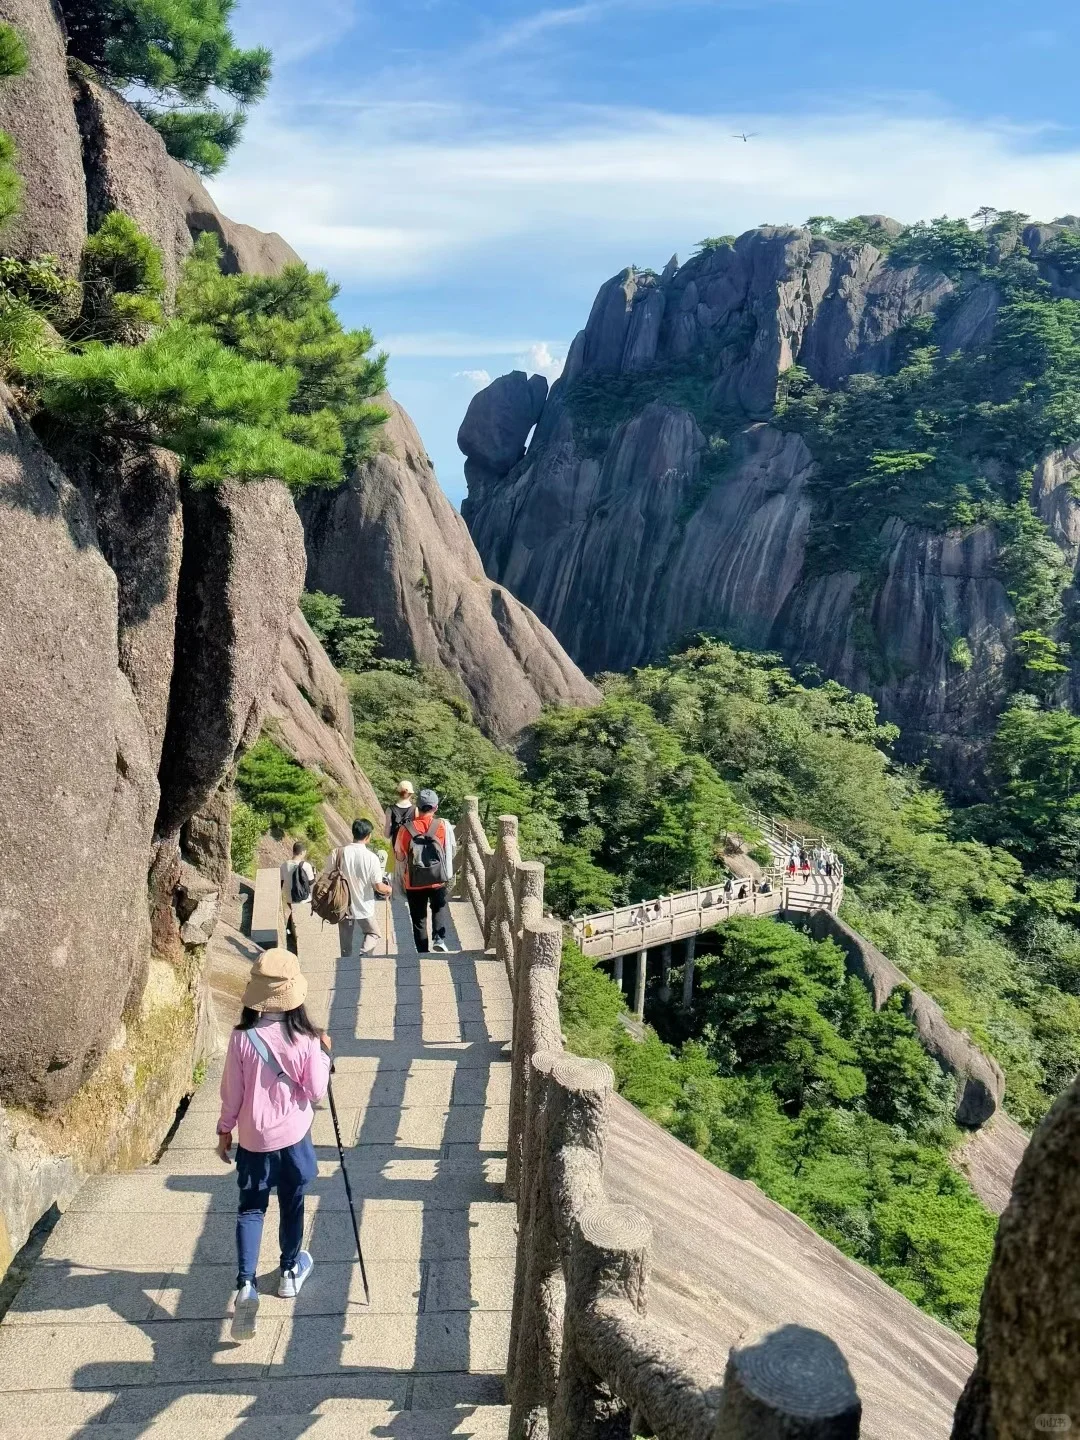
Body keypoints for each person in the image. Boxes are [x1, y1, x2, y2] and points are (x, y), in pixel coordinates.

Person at [216, 948, 331, 1342]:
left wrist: (224, 1129)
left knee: (250, 1209)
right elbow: (316, 1089)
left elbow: (232, 1090)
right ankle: (287, 1272)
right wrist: (325, 1055)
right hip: (294, 1139)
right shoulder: (305, 1039)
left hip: (252, 1140)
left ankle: (245, 1284)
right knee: (292, 1204)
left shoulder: (241, 1038)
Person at [395, 788, 456, 954]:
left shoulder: (405, 829)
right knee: (438, 907)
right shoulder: (442, 826)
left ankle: (422, 951)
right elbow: (450, 850)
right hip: (437, 877)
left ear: (417, 807)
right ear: (435, 808)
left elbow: (400, 856)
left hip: (414, 880)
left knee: (418, 917)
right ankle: (439, 938)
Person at [338, 818, 392, 959]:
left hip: (343, 905)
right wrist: (389, 890)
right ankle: (364, 954)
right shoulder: (371, 858)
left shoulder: (338, 853)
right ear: (368, 836)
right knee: (373, 933)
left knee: (346, 944)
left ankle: (346, 965)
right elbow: (378, 886)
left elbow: (327, 877)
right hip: (364, 906)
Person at [383, 780, 417, 857]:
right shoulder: (416, 810)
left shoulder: (389, 810)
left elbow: (386, 835)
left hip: (395, 850)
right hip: (410, 851)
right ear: (411, 794)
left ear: (398, 793)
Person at [281, 841, 315, 911]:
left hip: (290, 898)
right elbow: (311, 882)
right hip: (304, 899)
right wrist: (314, 874)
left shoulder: (284, 865)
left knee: (293, 913)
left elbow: (281, 882)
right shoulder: (306, 865)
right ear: (302, 852)